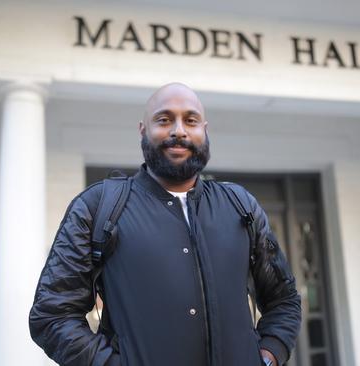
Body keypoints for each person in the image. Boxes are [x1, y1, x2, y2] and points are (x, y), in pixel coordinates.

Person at [29, 83, 301, 366]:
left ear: (204, 130)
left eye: (191, 120)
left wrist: (270, 354)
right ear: (142, 130)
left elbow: (284, 300)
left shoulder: (240, 205)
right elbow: (52, 315)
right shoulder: (97, 206)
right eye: (164, 119)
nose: (179, 131)